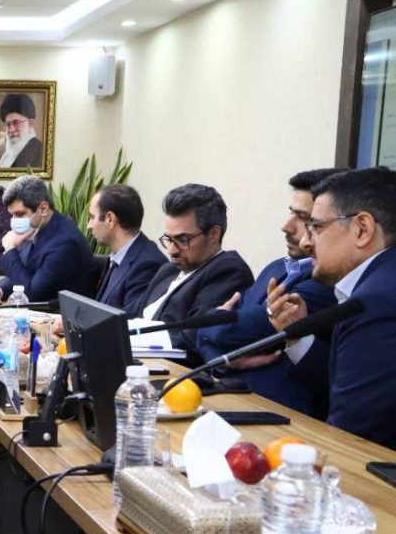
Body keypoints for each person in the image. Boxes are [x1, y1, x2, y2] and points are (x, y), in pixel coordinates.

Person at [195, 169, 343, 415]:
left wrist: (213, 323)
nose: (286, 226)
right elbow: (206, 333)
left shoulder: (326, 283)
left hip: (278, 414)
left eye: (305, 219)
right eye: (291, 213)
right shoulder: (276, 267)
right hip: (226, 397)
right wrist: (224, 362)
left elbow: (226, 331)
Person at [272, 168, 396, 449]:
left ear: (362, 229)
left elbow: (353, 441)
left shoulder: (375, 302)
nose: (306, 241)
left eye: (316, 227)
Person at [136, 183, 254, 366]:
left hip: (173, 372)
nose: (172, 250)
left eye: (183, 240)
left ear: (214, 234)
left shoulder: (229, 272)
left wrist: (131, 339)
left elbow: (193, 338)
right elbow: (131, 312)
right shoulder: (169, 269)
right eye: (168, 239)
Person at [0, 176, 96, 304]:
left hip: (62, 314)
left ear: (43, 209)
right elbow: (24, 274)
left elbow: (31, 294)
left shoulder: (65, 242)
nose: (13, 221)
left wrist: (9, 250)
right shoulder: (39, 228)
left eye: (19, 214)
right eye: (12, 215)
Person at [85, 184, 165, 315]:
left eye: (92, 217)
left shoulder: (147, 265)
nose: (89, 225)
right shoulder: (117, 257)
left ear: (110, 219)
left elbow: (128, 321)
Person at [0, 93, 43, 169]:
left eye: (16, 123)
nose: (11, 130)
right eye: (8, 124)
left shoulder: (42, 153)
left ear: (30, 123)